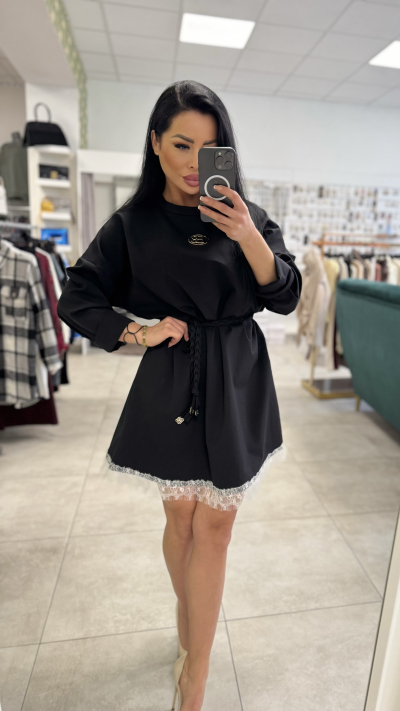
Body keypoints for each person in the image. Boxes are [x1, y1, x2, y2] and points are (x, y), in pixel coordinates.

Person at [57, 80, 302, 711]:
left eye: (209, 147)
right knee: (181, 519)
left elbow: (285, 294)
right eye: (182, 144)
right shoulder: (133, 223)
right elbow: (77, 296)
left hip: (238, 373)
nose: (196, 163)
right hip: (173, 372)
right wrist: (139, 332)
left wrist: (247, 234)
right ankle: (188, 621)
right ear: (155, 144)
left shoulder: (247, 215)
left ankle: (196, 675)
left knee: (215, 526)